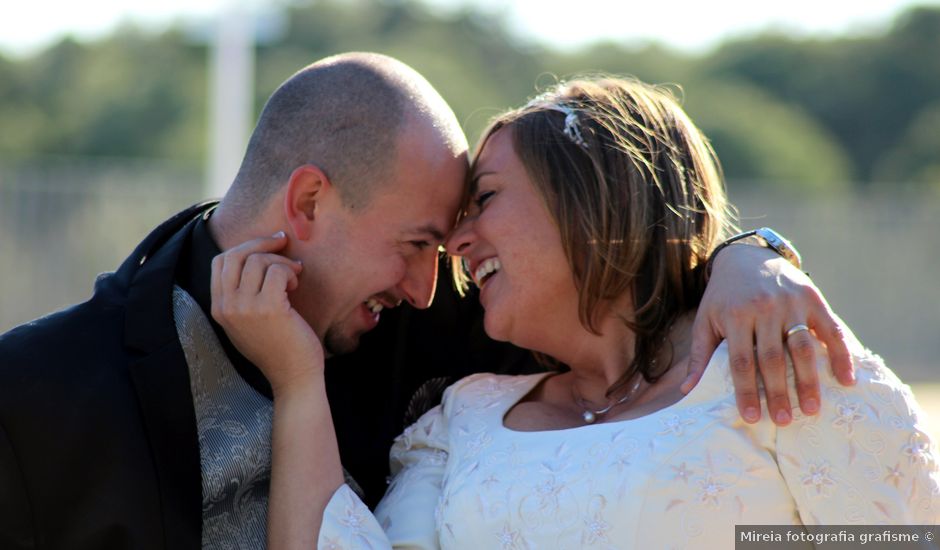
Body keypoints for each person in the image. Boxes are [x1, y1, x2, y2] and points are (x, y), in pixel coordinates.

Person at [0, 52, 849, 550]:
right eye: (415, 246)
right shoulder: (35, 391)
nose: (428, 284)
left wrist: (751, 254)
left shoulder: (450, 337)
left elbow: (623, 293)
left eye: (443, 251)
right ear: (306, 203)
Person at [213, 76, 939, 549]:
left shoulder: (773, 364)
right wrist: (298, 381)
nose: (457, 244)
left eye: (486, 200)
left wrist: (749, 252)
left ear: (595, 198)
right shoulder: (461, 423)